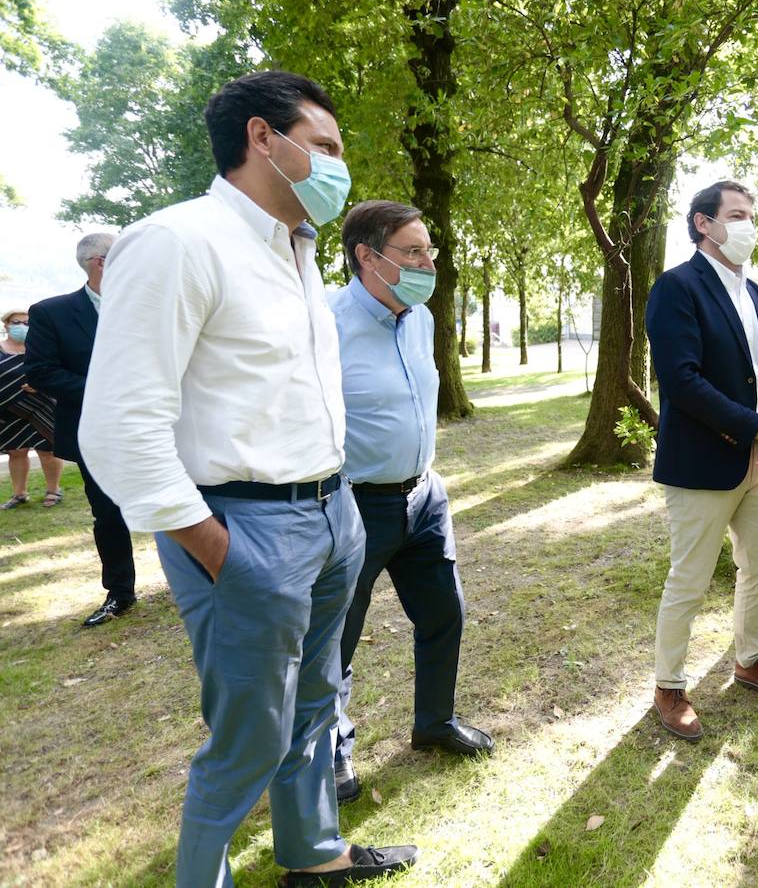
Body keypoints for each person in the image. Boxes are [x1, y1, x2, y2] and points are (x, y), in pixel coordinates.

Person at [77, 71, 416, 886]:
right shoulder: (177, 241)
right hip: (243, 525)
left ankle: (314, 854)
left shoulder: (295, 251)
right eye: (326, 146)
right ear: (264, 138)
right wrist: (215, 548)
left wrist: (342, 516)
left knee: (314, 705)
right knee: (249, 733)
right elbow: (118, 425)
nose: (339, 166)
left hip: (333, 514)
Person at [328, 200, 493, 806]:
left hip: (424, 497)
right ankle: (331, 755)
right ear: (367, 257)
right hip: (353, 506)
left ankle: (434, 723)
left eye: (431, 250)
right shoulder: (323, 319)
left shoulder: (419, 317)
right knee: (336, 641)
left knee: (443, 613)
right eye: (414, 251)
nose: (429, 263)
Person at [644, 179, 758, 741]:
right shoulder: (676, 288)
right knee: (689, 579)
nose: (748, 226)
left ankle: (751, 660)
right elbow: (682, 382)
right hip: (703, 463)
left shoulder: (755, 293)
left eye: (751, 215)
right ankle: (669, 685)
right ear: (703, 224)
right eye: (736, 215)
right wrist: (755, 427)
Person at [25, 235, 138, 626]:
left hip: (164, 423)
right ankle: (120, 594)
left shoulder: (147, 303)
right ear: (100, 263)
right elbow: (40, 372)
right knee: (109, 514)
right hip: (96, 431)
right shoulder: (51, 313)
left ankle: (205, 577)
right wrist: (108, 391)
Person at [0, 309, 64, 510]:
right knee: (16, 451)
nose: (22, 327)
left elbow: (58, 371)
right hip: (8, 409)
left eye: (27, 323)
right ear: (6, 325)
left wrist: (41, 384)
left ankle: (53, 490)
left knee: (47, 450)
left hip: (42, 406)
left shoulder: (42, 347)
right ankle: (19, 494)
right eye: (17, 322)